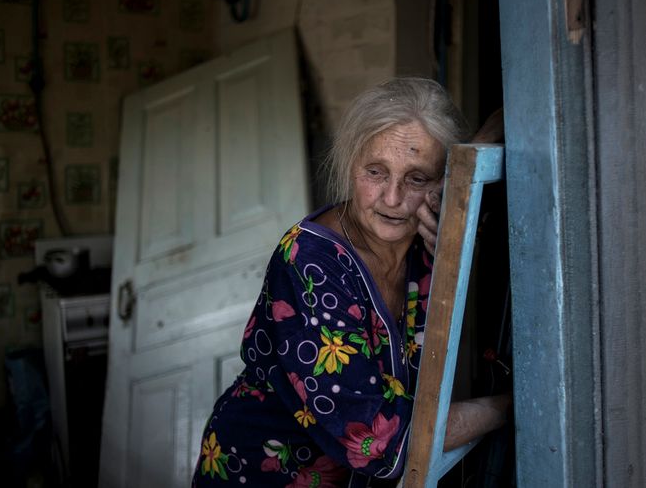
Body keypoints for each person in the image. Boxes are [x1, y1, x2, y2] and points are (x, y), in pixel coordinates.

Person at [192, 78, 509, 487]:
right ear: (349, 165)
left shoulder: (428, 236)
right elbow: (376, 441)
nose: (392, 199)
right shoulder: (309, 262)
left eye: (416, 179)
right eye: (375, 172)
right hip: (259, 470)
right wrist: (507, 408)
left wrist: (467, 168)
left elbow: (513, 115)